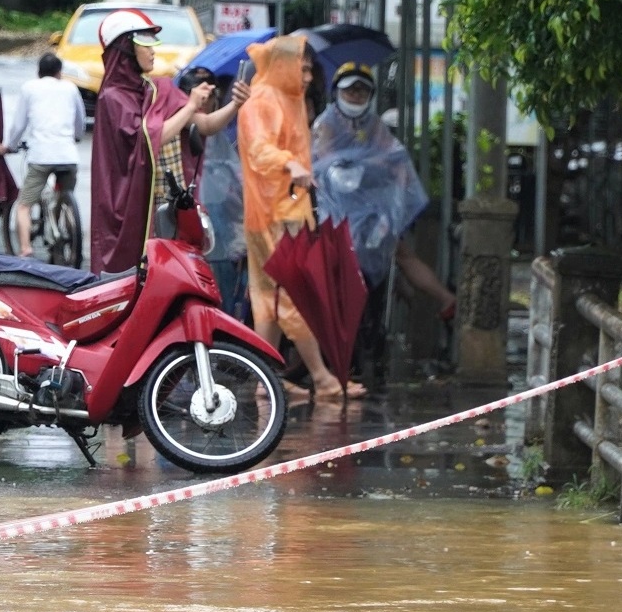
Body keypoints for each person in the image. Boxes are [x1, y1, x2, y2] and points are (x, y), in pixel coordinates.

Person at [237, 35, 364, 401]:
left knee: (269, 300)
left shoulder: (287, 99)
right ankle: (322, 378)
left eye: (309, 70)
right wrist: (289, 163)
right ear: (281, 66)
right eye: (301, 68)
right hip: (274, 213)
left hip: (285, 209)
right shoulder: (262, 100)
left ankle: (265, 380)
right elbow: (261, 151)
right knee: (292, 295)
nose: (307, 77)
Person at [89, 9, 243, 274]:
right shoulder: (112, 97)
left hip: (167, 206)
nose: (153, 52)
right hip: (132, 206)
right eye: (145, 44)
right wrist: (191, 105)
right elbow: (149, 139)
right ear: (126, 48)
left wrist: (236, 104)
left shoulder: (159, 89)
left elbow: (204, 125)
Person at [312, 62, 456, 318]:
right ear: (337, 92)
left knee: (399, 251)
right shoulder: (327, 124)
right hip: (336, 213)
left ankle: (446, 300)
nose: (355, 96)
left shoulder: (374, 125)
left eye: (361, 91)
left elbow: (395, 159)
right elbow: (322, 163)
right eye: (350, 90)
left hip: (373, 209)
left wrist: (378, 173)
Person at [0, 51, 86, 257]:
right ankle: (61, 224)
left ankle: (26, 247)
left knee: (23, 206)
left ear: (39, 72)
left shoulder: (30, 88)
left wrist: (9, 146)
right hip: (68, 156)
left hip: (40, 156)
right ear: (59, 72)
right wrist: (76, 136)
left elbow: (19, 124)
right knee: (63, 195)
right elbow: (80, 121)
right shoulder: (70, 88)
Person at [181, 66, 251, 319]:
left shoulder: (224, 132)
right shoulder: (186, 121)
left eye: (211, 95)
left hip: (224, 218)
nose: (207, 101)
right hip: (198, 216)